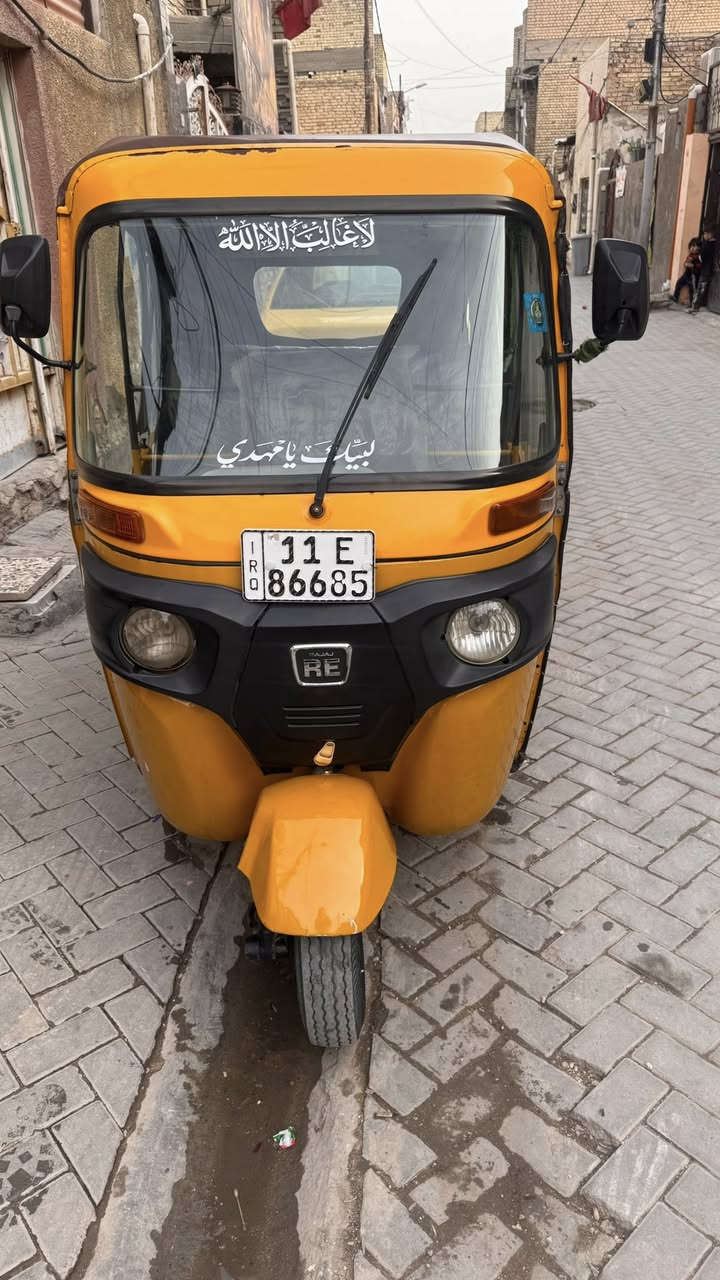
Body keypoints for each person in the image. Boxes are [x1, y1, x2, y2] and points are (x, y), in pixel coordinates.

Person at [690, 227, 717, 313]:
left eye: (705, 234)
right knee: (705, 288)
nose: (704, 236)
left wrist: (699, 256)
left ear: (709, 234)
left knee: (701, 288)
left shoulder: (708, 245)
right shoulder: (716, 245)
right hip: (712, 270)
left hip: (705, 270)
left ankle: (695, 307)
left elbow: (702, 258)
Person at [672, 238, 701, 306]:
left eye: (695, 246)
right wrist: (685, 264)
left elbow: (699, 266)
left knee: (692, 290)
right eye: (691, 246)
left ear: (699, 248)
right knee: (679, 282)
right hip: (686, 275)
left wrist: (693, 266)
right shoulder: (690, 255)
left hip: (692, 277)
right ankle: (675, 297)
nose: (692, 248)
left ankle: (692, 303)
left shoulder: (698, 257)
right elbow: (686, 263)